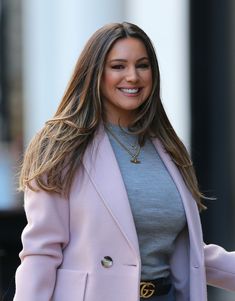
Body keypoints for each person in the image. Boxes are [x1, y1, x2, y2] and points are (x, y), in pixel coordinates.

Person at [13, 22, 235, 301]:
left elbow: (187, 253)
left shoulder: (167, 147)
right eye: (118, 66)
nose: (132, 76)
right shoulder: (60, 144)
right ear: (94, 72)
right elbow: (41, 252)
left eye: (142, 65)